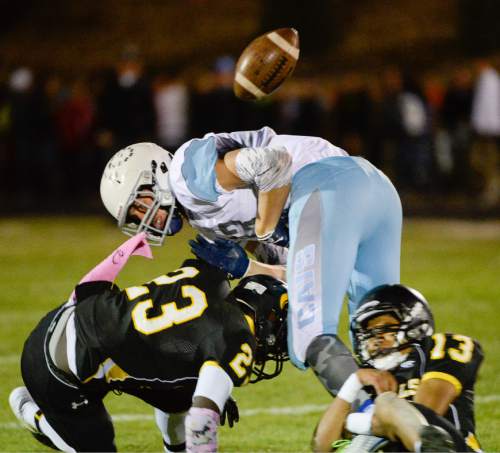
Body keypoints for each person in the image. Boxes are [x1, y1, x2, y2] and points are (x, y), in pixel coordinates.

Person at [100, 126, 402, 400]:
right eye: (135, 217)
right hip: (373, 190)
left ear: (156, 171)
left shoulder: (184, 176)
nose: (145, 218)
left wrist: (265, 228)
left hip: (327, 187)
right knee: (380, 330)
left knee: (309, 336)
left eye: (140, 204)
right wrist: (246, 267)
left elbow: (271, 163)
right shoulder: (205, 221)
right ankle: (410, 424)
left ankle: (372, 420)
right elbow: (293, 271)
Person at [8, 233, 289, 452]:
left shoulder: (213, 280)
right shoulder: (237, 339)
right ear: (264, 318)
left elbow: (186, 335)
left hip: (69, 317)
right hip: (57, 370)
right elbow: (201, 420)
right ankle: (34, 415)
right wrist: (216, 392)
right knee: (97, 446)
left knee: (182, 390)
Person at [312, 284, 484, 452]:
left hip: (450, 446)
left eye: (385, 328)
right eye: (369, 332)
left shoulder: (439, 348)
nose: (376, 338)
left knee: (385, 402)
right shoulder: (370, 380)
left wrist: (359, 423)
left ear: (415, 324)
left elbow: (426, 415)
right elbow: (322, 446)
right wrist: (354, 382)